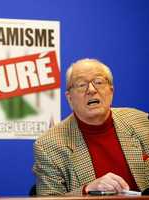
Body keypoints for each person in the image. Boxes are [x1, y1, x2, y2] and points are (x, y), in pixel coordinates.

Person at [33, 58, 149, 196]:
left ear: (111, 92)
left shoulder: (142, 122)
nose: (92, 90)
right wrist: (86, 190)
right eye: (81, 85)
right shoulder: (48, 145)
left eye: (99, 82)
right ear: (69, 98)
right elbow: (48, 199)